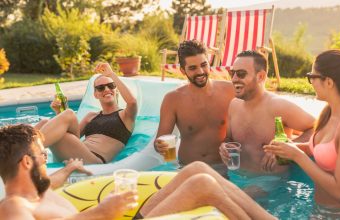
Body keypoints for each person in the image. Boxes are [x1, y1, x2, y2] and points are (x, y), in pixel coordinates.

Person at [0, 124, 276, 220]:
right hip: (107, 217)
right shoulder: (13, 206)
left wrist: (70, 167)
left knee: (197, 169)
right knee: (202, 184)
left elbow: (54, 179)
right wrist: (100, 213)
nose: (47, 157)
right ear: (26, 163)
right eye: (42, 154)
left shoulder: (40, 189)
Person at [264, 49, 340, 218]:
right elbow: (319, 149)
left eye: (312, 76)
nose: (310, 82)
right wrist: (287, 148)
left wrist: (297, 156)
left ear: (329, 82)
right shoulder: (330, 112)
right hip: (320, 211)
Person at [218, 50, 315, 197]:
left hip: (270, 182)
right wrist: (224, 147)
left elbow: (317, 128)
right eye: (233, 73)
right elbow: (229, 139)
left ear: (261, 76)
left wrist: (289, 147)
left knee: (240, 198)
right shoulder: (234, 105)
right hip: (237, 177)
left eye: (241, 74)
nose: (234, 79)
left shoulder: (278, 106)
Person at [154, 40, 235, 171]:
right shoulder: (172, 99)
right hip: (188, 169)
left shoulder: (230, 91)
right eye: (193, 68)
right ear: (182, 70)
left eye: (204, 65)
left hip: (225, 168)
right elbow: (160, 140)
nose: (201, 71)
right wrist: (159, 146)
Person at [38, 63, 137, 164]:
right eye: (100, 88)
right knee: (44, 122)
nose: (107, 89)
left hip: (94, 160)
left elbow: (132, 102)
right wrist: (58, 112)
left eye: (111, 86)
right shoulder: (91, 116)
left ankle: (27, 149)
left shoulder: (125, 116)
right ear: (95, 95)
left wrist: (111, 74)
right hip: (75, 154)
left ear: (116, 90)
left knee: (69, 114)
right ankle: (25, 146)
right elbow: (72, 136)